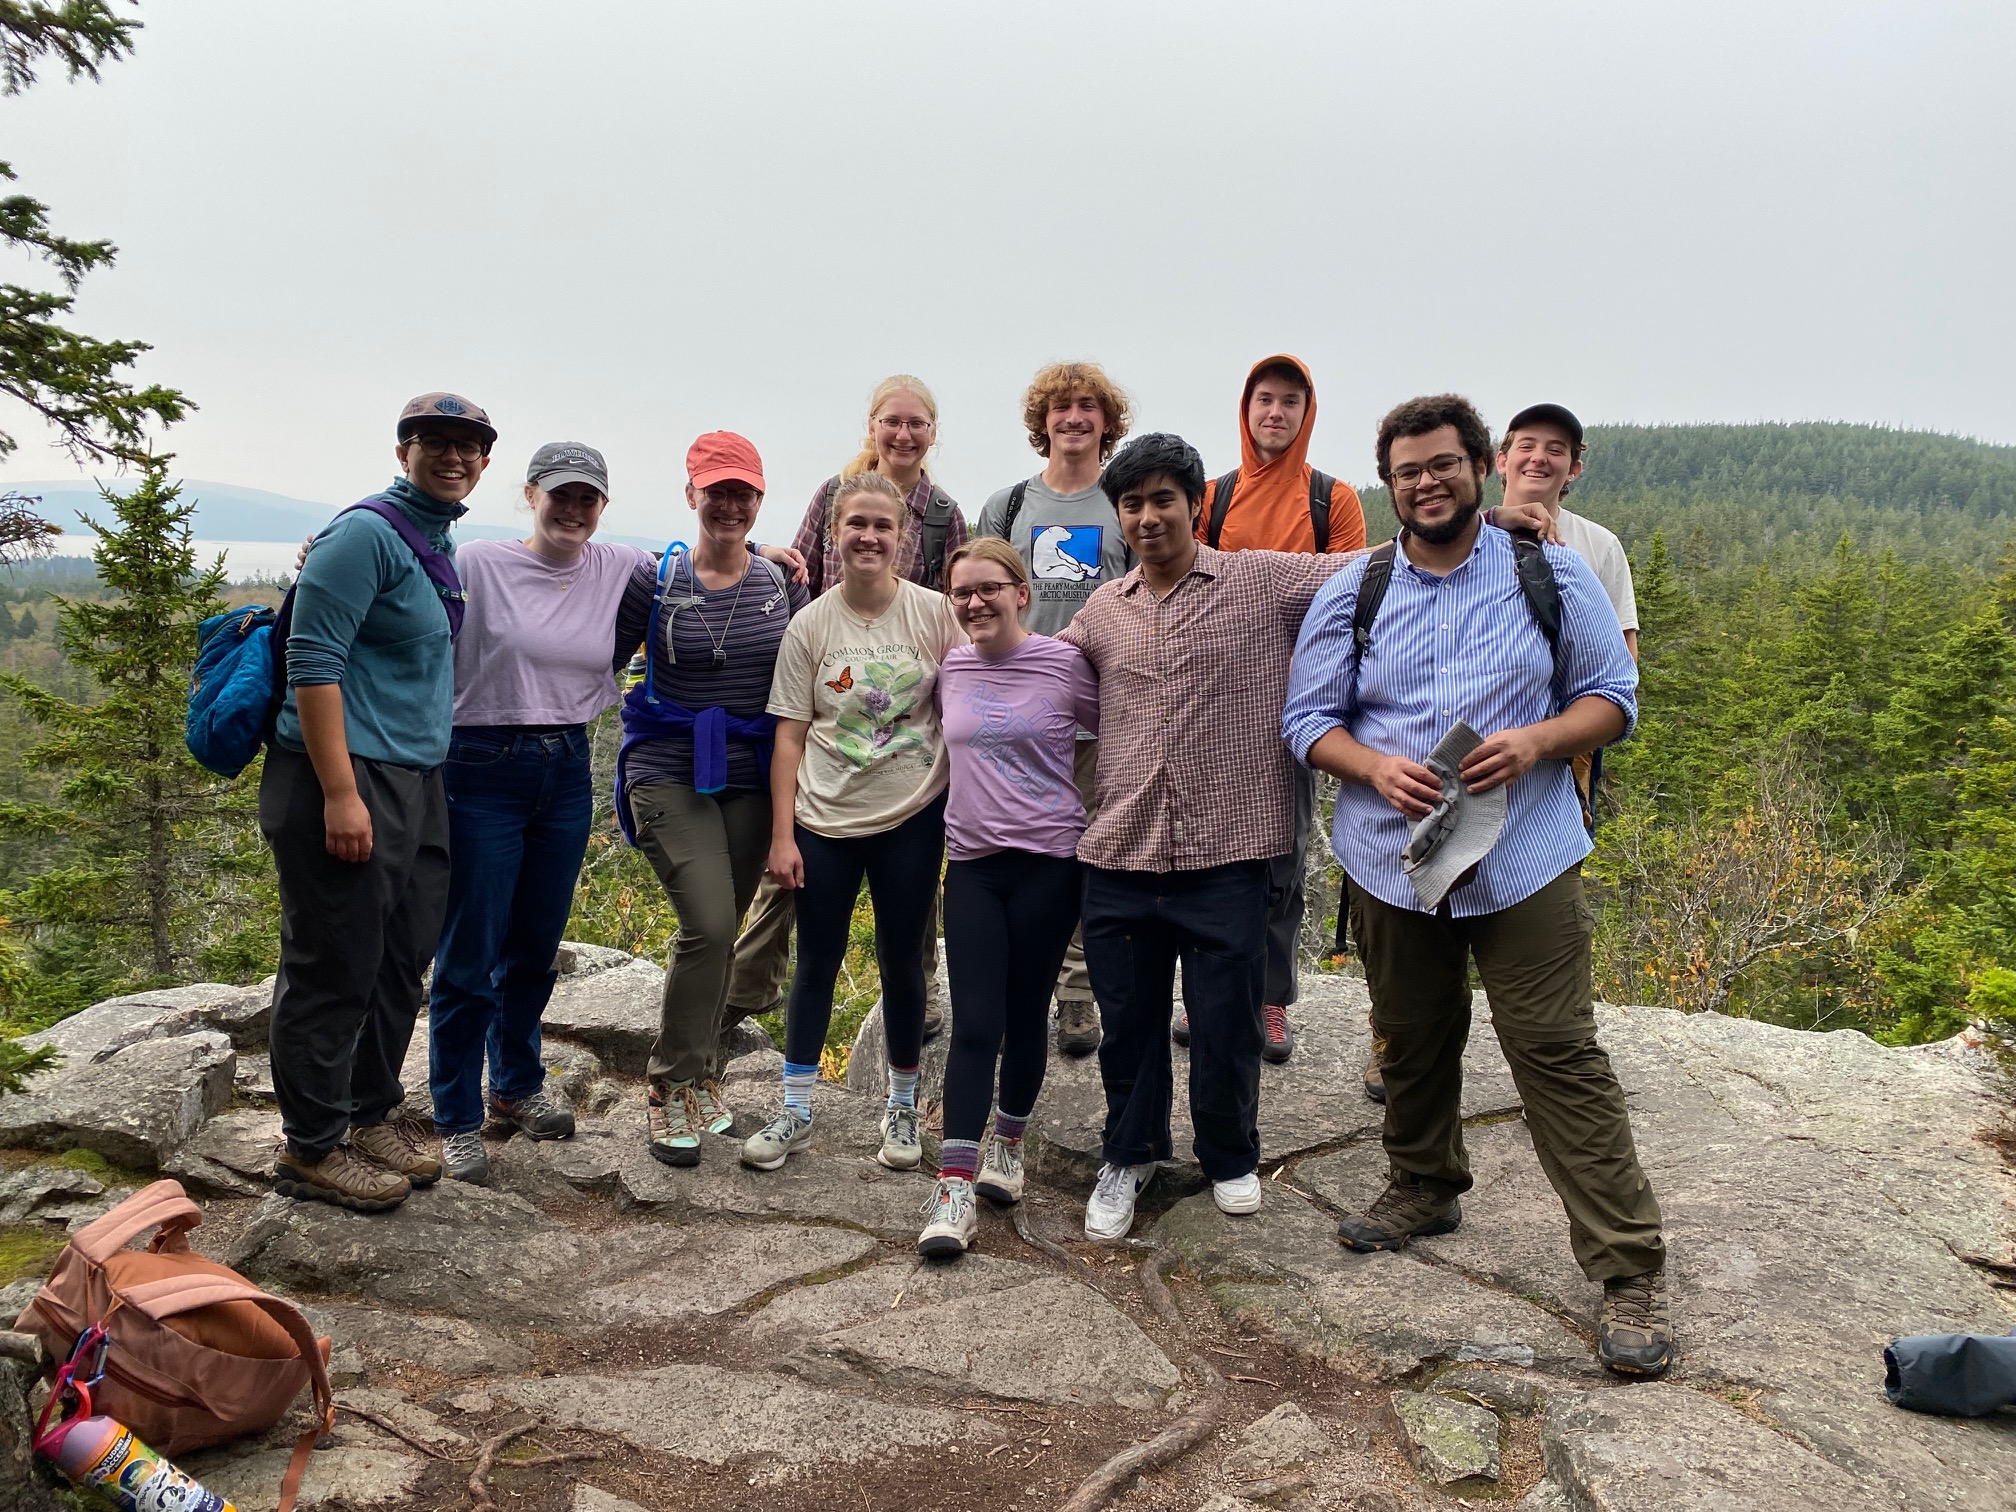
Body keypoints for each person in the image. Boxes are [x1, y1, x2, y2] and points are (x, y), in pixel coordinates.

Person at [1281, 393, 1671, 1378]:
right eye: (1408, 470)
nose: (1427, 482)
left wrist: (1538, 741)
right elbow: (1307, 719)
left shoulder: (1550, 572)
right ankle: (1423, 1181)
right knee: (1411, 1029)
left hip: (1524, 849)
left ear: (1480, 466)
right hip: (1395, 856)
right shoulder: (1355, 589)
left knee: (1552, 1044)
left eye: (1445, 464)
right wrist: (1371, 768)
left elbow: (1614, 697)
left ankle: (1626, 1266)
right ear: (1391, 483)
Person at [1058, 432, 1355, 1242]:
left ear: (1195, 504)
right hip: (1120, 849)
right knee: (1130, 1020)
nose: (1149, 516)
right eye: (1133, 503)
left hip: (1227, 850)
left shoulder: (1260, 581)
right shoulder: (1102, 611)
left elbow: (1371, 572)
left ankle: (1229, 1155)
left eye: (1163, 499)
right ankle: (1130, 1151)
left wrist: (1491, 525)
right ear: (1118, 516)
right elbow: (1033, 675)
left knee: (1226, 1023)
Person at [264, 392, 486, 1212]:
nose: (453, 456)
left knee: (399, 958)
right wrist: (339, 795)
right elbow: (312, 661)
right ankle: (313, 1146)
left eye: (468, 446)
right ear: (405, 451)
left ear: (485, 462)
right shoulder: (364, 534)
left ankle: (368, 1112)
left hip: (415, 779)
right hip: (344, 776)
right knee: (333, 962)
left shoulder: (435, 536)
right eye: (436, 442)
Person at [425, 441, 648, 1185]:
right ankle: (455, 1114)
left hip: (565, 767)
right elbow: (407, 583)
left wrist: (766, 548)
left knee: (535, 942)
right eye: (561, 495)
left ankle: (515, 1082)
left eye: (588, 498)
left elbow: (698, 565)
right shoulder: (480, 562)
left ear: (603, 506)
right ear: (531, 495)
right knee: (470, 949)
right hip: (479, 765)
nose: (573, 510)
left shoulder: (617, 566)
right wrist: (323, 557)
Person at [725, 376, 969, 1041]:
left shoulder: (943, 513)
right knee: (790, 878)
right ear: (872, 424)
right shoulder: (835, 493)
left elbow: (959, 607)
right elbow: (797, 571)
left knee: (909, 898)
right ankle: (743, 993)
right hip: (831, 694)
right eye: (892, 421)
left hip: (903, 715)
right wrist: (758, 553)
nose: (903, 434)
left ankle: (915, 1007)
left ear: (932, 432)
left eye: (917, 423)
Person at [741, 472, 964, 1174]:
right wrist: (782, 835)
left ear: (901, 537)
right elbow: (789, 736)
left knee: (903, 965)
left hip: (911, 816)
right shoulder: (811, 624)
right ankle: (797, 1108)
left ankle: (901, 1107)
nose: (869, 536)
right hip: (824, 819)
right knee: (817, 963)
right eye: (855, 524)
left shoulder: (933, 614)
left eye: (882, 525)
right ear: (835, 533)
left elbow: (969, 705)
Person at [618, 433, 809, 1166]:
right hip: (666, 767)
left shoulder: (780, 582)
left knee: (722, 929)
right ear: (691, 494)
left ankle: (701, 1076)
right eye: (716, 489)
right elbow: (582, 642)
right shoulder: (656, 580)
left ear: (760, 501)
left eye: (744, 492)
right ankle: (669, 1085)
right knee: (706, 920)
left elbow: (816, 661)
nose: (730, 504)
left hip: (752, 773)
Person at [1176, 355, 1368, 1066]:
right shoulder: (1214, 497)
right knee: (1201, 849)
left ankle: (1271, 995)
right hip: (1216, 697)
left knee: (1282, 851)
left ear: (1306, 412)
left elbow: (1351, 592)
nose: (1275, 413)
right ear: (1245, 407)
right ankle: (1203, 993)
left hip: (1299, 700)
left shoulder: (1332, 499)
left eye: (1290, 401)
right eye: (1265, 400)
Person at [916, 538, 1098, 1258]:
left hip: (1050, 864)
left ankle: (1010, 1144)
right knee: (974, 1024)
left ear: (1022, 593)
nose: (975, 603)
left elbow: (1124, 730)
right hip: (974, 867)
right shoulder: (951, 666)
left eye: (989, 588)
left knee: (1027, 1017)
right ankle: (954, 1186)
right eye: (962, 592)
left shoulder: (1063, 664)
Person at [974, 360, 1132, 1057]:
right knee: (1018, 851)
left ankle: (1075, 993)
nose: (1073, 418)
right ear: (1043, 422)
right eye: (1061, 407)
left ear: (1106, 421)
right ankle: (1016, 987)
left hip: (1102, 712)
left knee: (1085, 854)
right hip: (1018, 713)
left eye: (1087, 407)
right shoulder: (1008, 508)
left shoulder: (1125, 501)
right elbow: (977, 605)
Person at [1497, 403, 1638, 833]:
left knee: (1557, 853)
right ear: (1502, 460)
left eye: (1555, 449)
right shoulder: (1465, 535)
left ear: (1573, 468)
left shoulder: (1598, 545)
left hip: (1566, 747)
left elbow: (1624, 654)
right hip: (1471, 731)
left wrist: (1567, 732)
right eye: (1527, 445)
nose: (1539, 457)